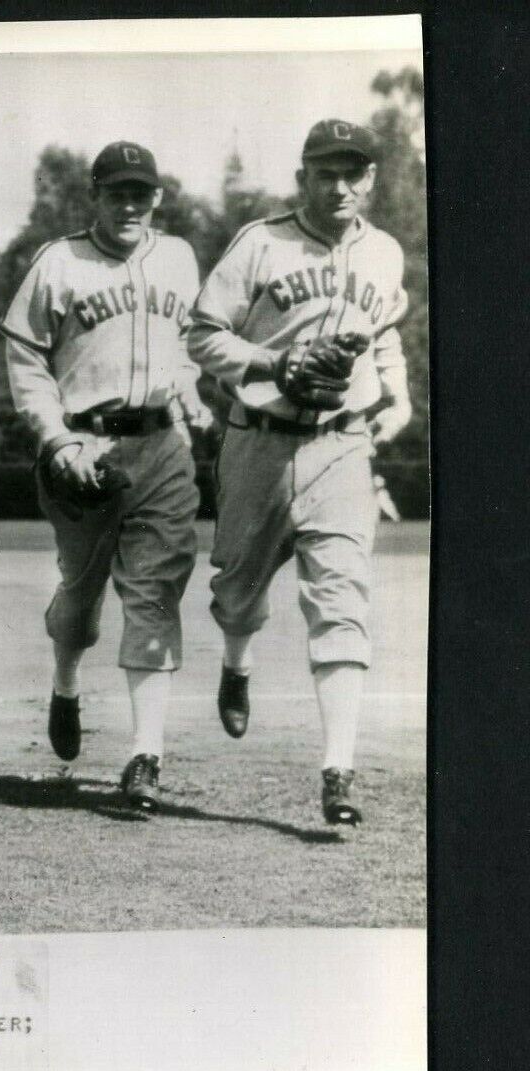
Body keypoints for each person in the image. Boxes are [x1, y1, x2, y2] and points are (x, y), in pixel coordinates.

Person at [187, 118, 413, 826]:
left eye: (353, 172)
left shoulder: (385, 252)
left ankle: (337, 770)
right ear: (302, 178)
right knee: (236, 593)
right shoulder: (261, 242)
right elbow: (201, 334)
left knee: (342, 603)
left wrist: (396, 393)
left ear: (371, 179)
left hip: (342, 444)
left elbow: (386, 334)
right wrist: (269, 363)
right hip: (259, 438)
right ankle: (237, 662)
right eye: (326, 172)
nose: (340, 185)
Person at [0, 141, 210, 813]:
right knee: (82, 603)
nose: (130, 204)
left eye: (141, 193)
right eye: (117, 192)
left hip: (160, 444)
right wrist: (56, 439)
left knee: (154, 593)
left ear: (158, 198)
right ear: (93, 195)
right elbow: (25, 356)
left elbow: (185, 349)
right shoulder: (59, 261)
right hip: (83, 449)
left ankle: (144, 754)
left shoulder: (177, 257)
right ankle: (65, 682)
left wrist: (190, 390)